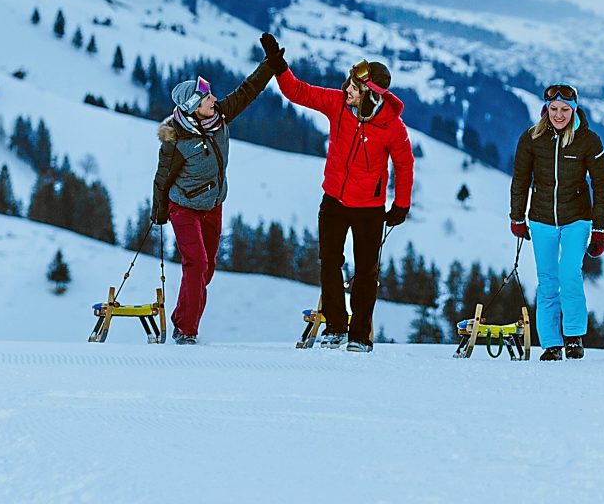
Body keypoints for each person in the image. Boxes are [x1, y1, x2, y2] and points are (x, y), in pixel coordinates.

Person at [263, 32, 413, 353]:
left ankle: (359, 335)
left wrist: (400, 205)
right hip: (333, 200)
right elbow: (298, 92)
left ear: (370, 94)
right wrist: (279, 66)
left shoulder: (391, 126)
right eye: (348, 83)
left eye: (354, 88)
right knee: (329, 262)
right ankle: (335, 326)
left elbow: (404, 165)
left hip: (369, 209)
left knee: (365, 273)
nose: (346, 89)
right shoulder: (337, 104)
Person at [151, 38, 283, 344]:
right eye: (206, 97)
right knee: (195, 264)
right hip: (183, 207)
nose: (213, 98)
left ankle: (183, 319)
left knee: (207, 269)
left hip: (213, 205)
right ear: (193, 108)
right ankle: (186, 330)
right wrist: (159, 212)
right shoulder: (176, 139)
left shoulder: (219, 117)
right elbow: (162, 177)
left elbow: (247, 92)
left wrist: (269, 66)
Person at [508, 83, 604, 361]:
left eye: (565, 109)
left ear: (574, 109)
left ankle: (574, 337)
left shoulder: (588, 141)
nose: (559, 115)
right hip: (541, 220)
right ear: (546, 109)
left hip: (577, 218)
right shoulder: (531, 138)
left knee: (570, 273)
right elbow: (520, 181)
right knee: (548, 281)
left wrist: (599, 228)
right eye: (554, 109)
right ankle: (551, 344)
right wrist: (516, 216)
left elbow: (601, 185)